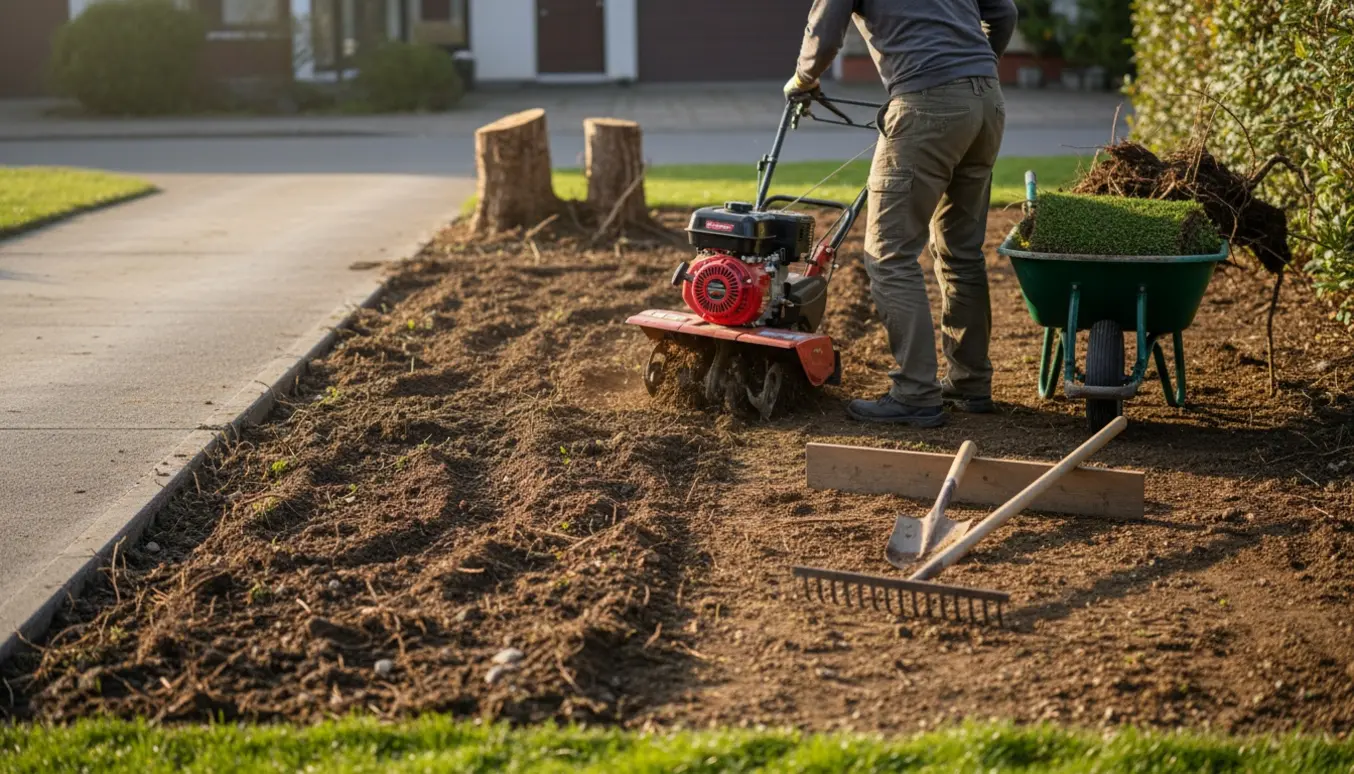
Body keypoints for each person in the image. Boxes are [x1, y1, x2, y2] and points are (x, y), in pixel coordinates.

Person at [786, 0, 1018, 427]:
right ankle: (969, 382)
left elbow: (824, 33)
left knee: (889, 255)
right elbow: (1004, 13)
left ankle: (914, 393)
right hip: (988, 102)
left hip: (928, 106)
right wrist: (974, 67)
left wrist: (803, 78)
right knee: (961, 252)